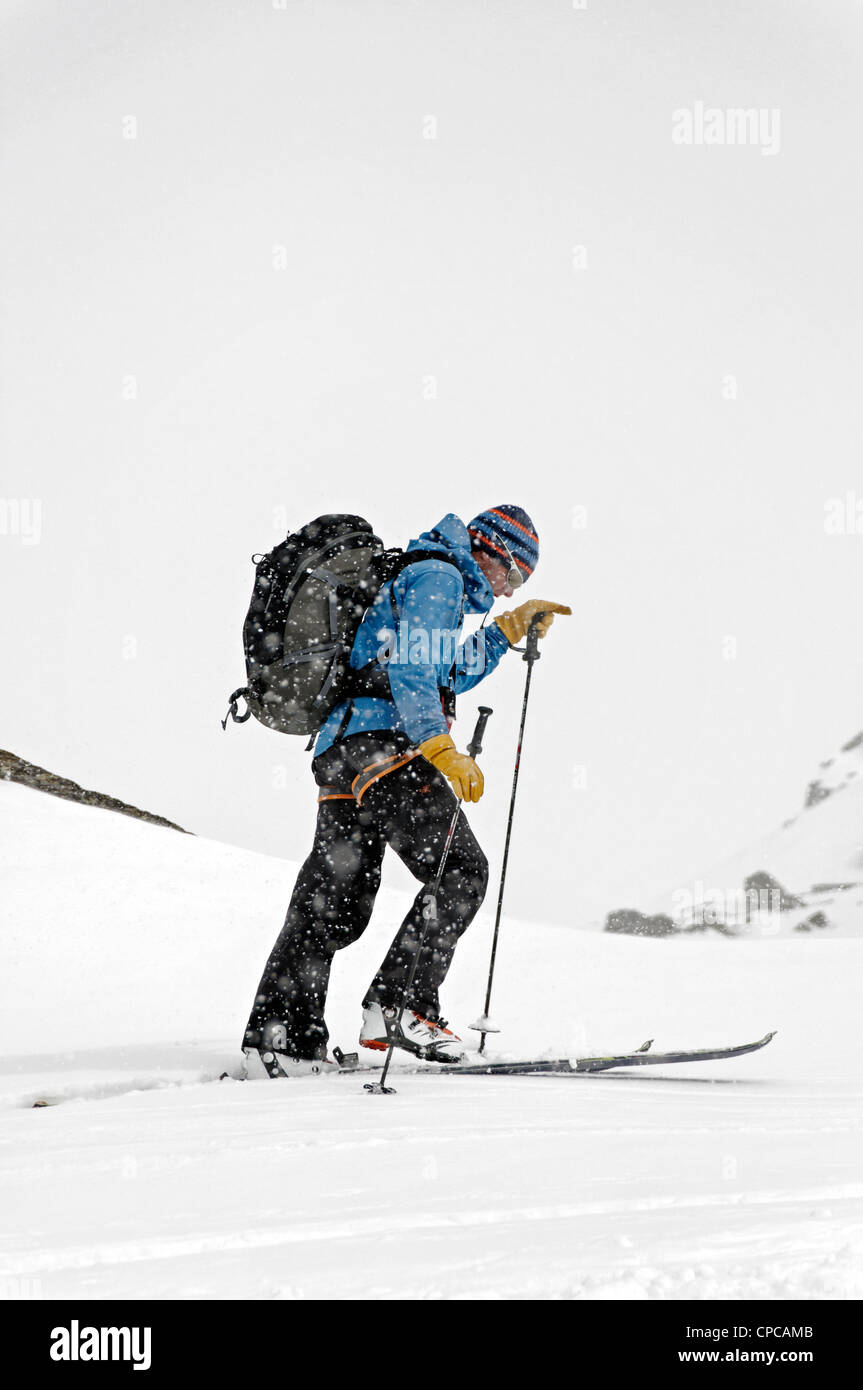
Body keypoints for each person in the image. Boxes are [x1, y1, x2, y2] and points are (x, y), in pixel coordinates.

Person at [242, 505, 570, 1077]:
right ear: (490, 551)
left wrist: (505, 631)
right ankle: (401, 1006)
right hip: (383, 745)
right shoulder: (440, 577)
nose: (507, 587)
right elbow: (416, 675)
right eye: (514, 576)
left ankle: (282, 1040)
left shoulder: (424, 573)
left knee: (332, 902)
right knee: (462, 871)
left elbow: (443, 671)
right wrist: (438, 744)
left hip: (342, 752)